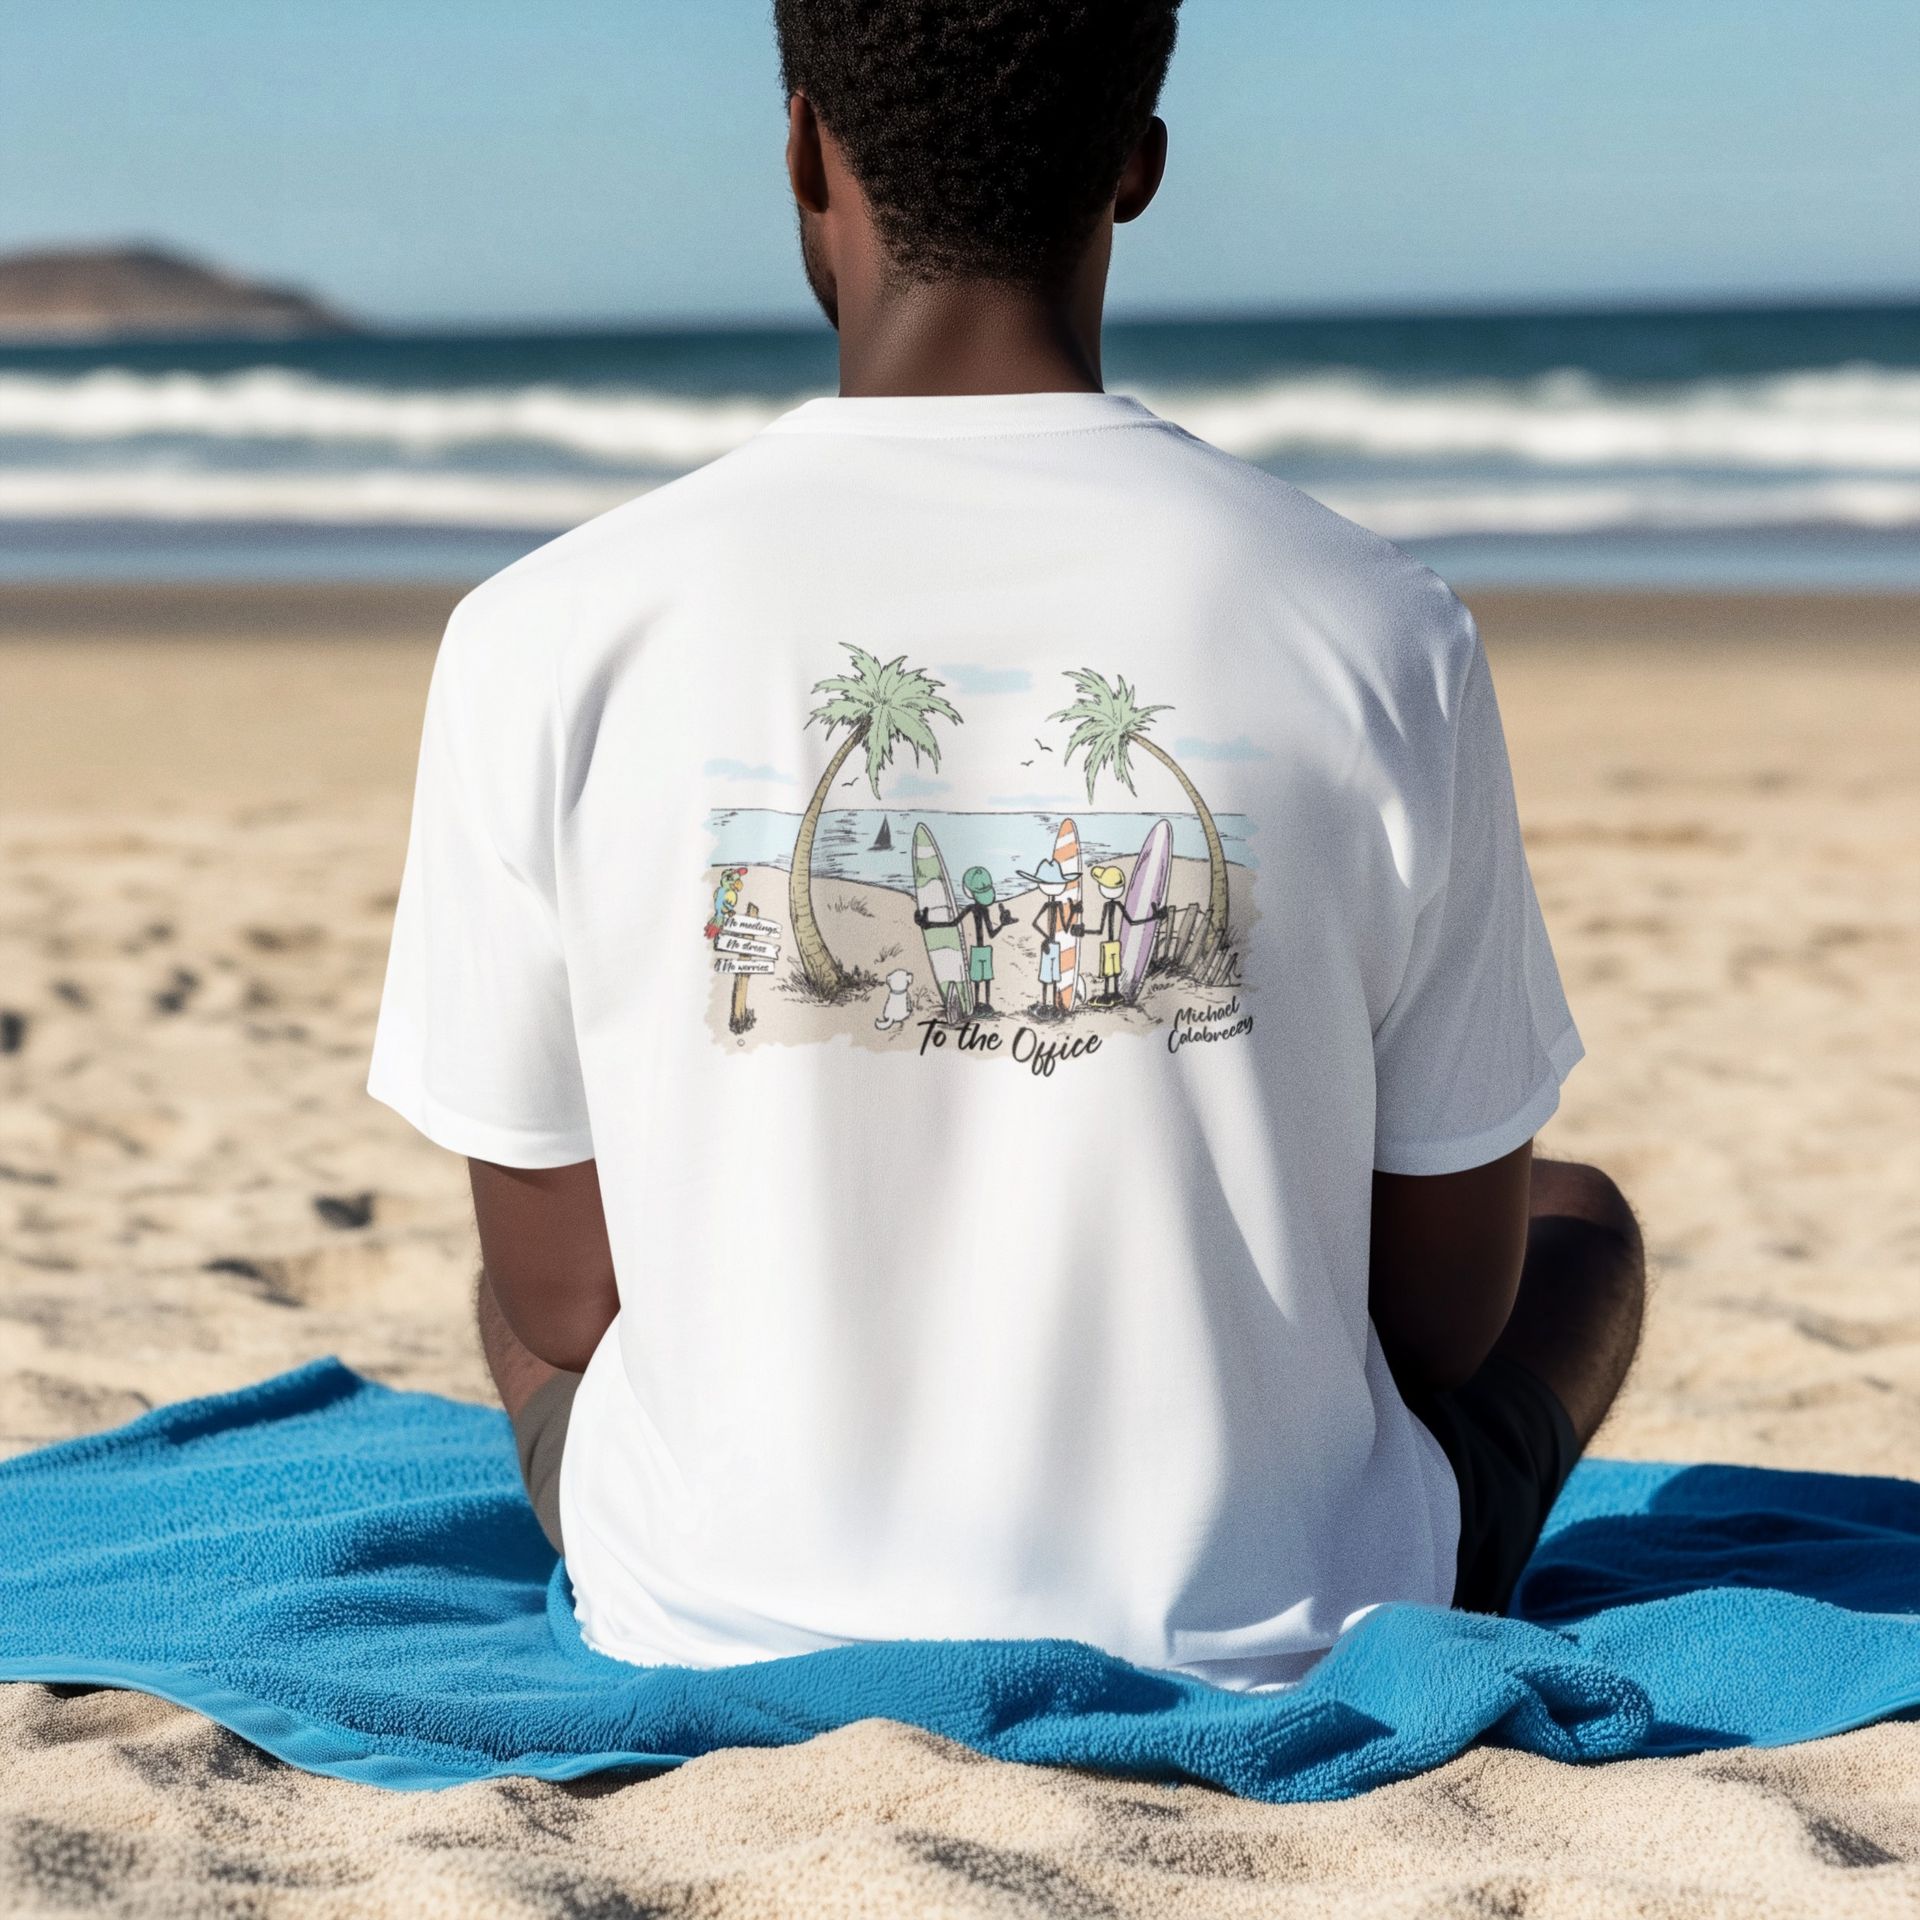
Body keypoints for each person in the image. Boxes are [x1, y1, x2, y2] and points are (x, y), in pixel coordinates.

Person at [370, 0, 1644, 1686]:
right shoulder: (1377, 625)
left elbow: (561, 1314)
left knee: (530, 1262)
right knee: (1582, 1227)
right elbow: (1444, 1323)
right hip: (1274, 1616)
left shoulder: (546, 630)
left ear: (806, 153)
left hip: (720, 1612)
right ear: (1137, 168)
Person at [916, 865, 1014, 1014]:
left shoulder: (973, 908)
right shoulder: (981, 909)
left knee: (982, 978)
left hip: (980, 950)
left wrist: (928, 924)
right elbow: (990, 933)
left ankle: (982, 1005)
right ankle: (980, 1005)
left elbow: (953, 923)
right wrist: (1002, 924)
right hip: (983, 950)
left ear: (969, 891)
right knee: (981, 978)